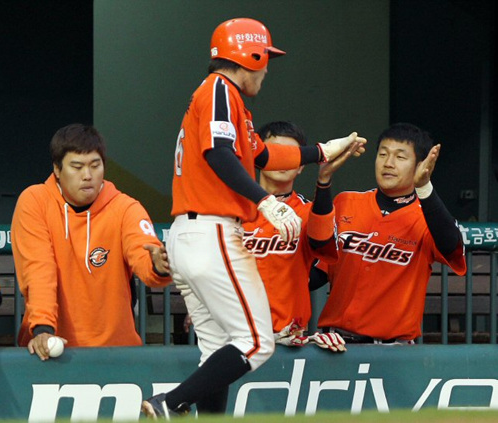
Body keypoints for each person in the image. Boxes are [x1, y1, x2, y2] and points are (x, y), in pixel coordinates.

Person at [141, 17, 366, 419]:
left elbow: (263, 155)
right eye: (266, 60)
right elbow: (219, 154)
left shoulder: (224, 100)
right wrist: (264, 200)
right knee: (257, 343)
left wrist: (322, 150)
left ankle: (193, 413)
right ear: (251, 55)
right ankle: (168, 403)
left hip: (189, 234)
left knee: (217, 351)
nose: (267, 70)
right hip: (211, 229)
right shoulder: (220, 89)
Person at [11, 124, 172, 361]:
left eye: (95, 166)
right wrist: (43, 329)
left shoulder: (125, 207)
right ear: (57, 169)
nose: (87, 175)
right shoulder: (35, 201)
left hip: (118, 354)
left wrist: (158, 265)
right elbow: (39, 270)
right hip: (51, 352)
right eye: (77, 167)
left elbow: (145, 257)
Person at [317, 122, 467, 344]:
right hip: (335, 344)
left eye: (400, 157)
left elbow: (451, 246)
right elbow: (318, 271)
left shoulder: (428, 217)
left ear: (419, 165)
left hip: (393, 351)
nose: (388, 163)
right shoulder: (346, 202)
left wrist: (424, 188)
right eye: (383, 154)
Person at [243, 121, 355, 352]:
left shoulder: (307, 211)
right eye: (276, 152)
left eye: (291, 154)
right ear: (259, 157)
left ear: (302, 165)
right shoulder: (231, 210)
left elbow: (323, 248)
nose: (284, 159)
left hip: (287, 339)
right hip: (232, 336)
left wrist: (324, 180)